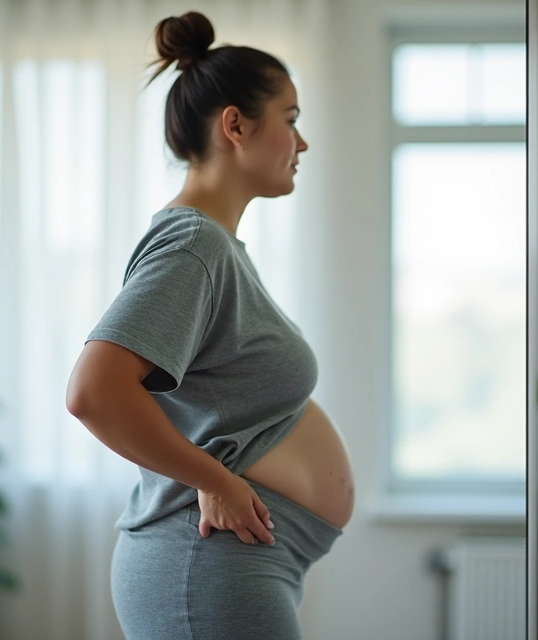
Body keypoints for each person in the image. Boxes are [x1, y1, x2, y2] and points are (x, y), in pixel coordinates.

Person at [64, 11, 354, 640]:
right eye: (292, 119)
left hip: (233, 566)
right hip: (203, 568)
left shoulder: (215, 246)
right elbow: (93, 392)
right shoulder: (194, 246)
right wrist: (212, 477)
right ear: (235, 125)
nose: (301, 143)